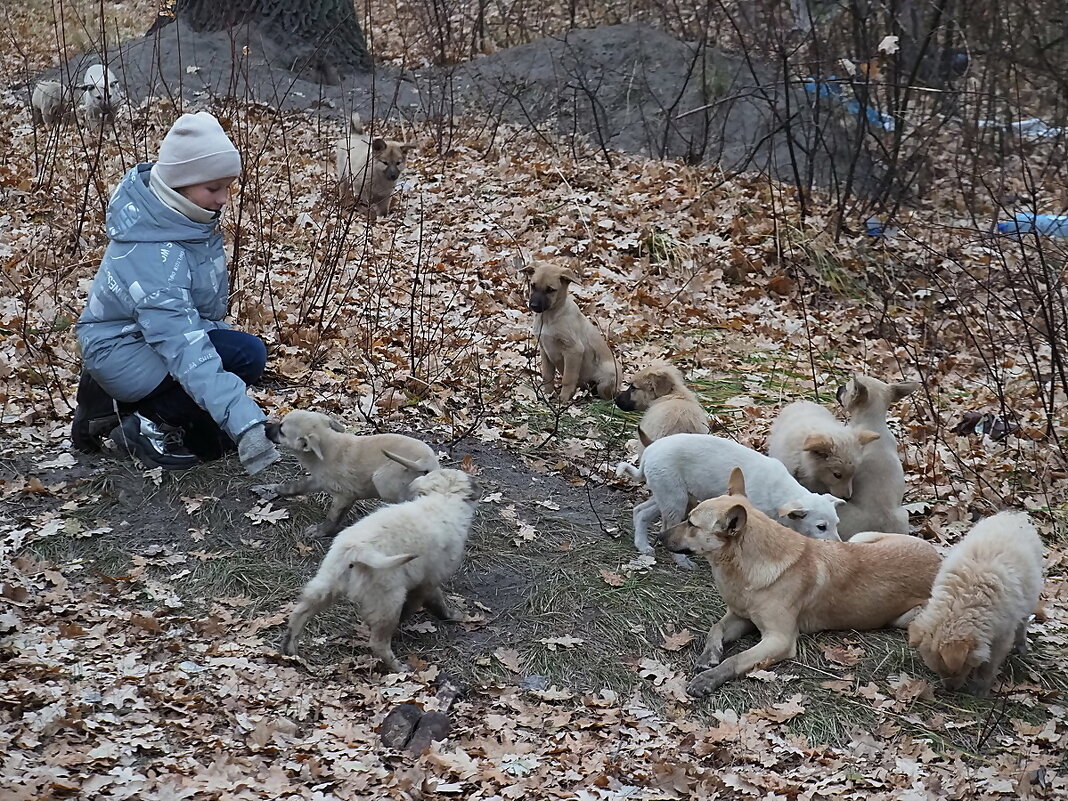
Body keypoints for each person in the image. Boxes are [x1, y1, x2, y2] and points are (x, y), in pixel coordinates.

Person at [71, 111, 279, 474]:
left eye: (228, 186)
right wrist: (246, 423)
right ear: (180, 183)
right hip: (122, 348)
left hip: (138, 340)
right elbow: (182, 345)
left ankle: (106, 403)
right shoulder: (154, 251)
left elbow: (193, 317)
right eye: (213, 188)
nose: (224, 199)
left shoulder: (180, 219)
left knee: (211, 446)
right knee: (245, 356)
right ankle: (144, 425)